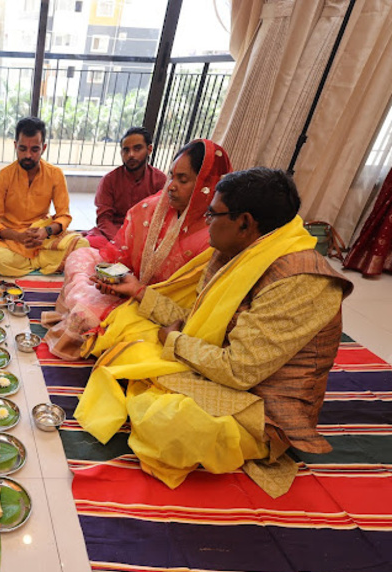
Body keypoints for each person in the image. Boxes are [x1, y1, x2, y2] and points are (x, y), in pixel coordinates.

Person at [75, 168, 353, 495]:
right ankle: (155, 384)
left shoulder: (300, 282)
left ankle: (164, 396)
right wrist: (138, 291)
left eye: (213, 213)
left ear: (245, 222)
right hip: (213, 364)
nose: (206, 221)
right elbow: (194, 320)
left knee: (168, 425)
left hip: (259, 404)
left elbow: (239, 370)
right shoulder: (236, 250)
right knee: (125, 326)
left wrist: (174, 341)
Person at [42, 139, 232, 360]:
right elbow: (118, 249)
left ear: (207, 184)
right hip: (130, 284)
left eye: (183, 179)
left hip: (157, 311)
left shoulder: (215, 239)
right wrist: (114, 280)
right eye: (172, 176)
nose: (171, 186)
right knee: (80, 254)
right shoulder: (150, 207)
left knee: (87, 318)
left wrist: (138, 291)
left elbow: (192, 314)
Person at [0, 116, 89, 276]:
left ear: (44, 148)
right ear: (15, 146)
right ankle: (43, 262)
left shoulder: (55, 174)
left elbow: (64, 216)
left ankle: (30, 263)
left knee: (82, 244)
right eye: (22, 149)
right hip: (12, 240)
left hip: (42, 238)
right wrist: (18, 236)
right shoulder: (3, 176)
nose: (28, 155)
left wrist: (45, 231)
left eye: (34, 149)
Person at [85, 127, 167, 248]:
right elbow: (104, 220)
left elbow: (164, 218)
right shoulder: (109, 180)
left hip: (146, 237)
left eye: (137, 148)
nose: (131, 155)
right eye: (126, 150)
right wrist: (120, 241)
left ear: (149, 149)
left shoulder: (160, 180)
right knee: (85, 245)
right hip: (113, 235)